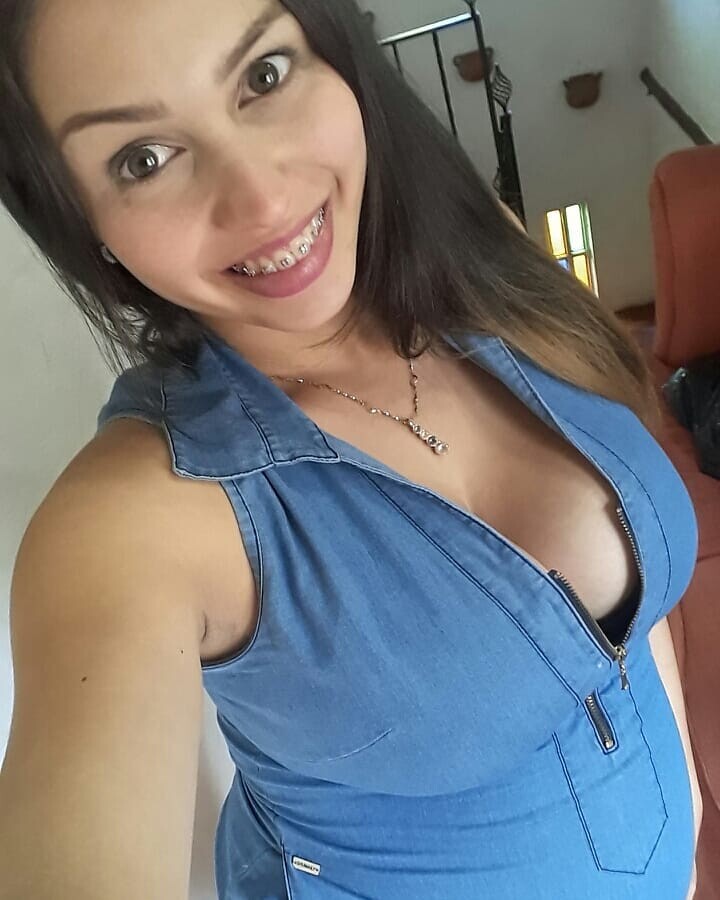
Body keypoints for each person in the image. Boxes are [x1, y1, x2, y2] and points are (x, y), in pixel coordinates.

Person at [0, 1, 702, 897]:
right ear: (81, 220)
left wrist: (683, 847)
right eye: (144, 158)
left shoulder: (484, 267)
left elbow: (636, 628)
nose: (262, 199)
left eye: (263, 75)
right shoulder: (137, 519)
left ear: (336, 55)